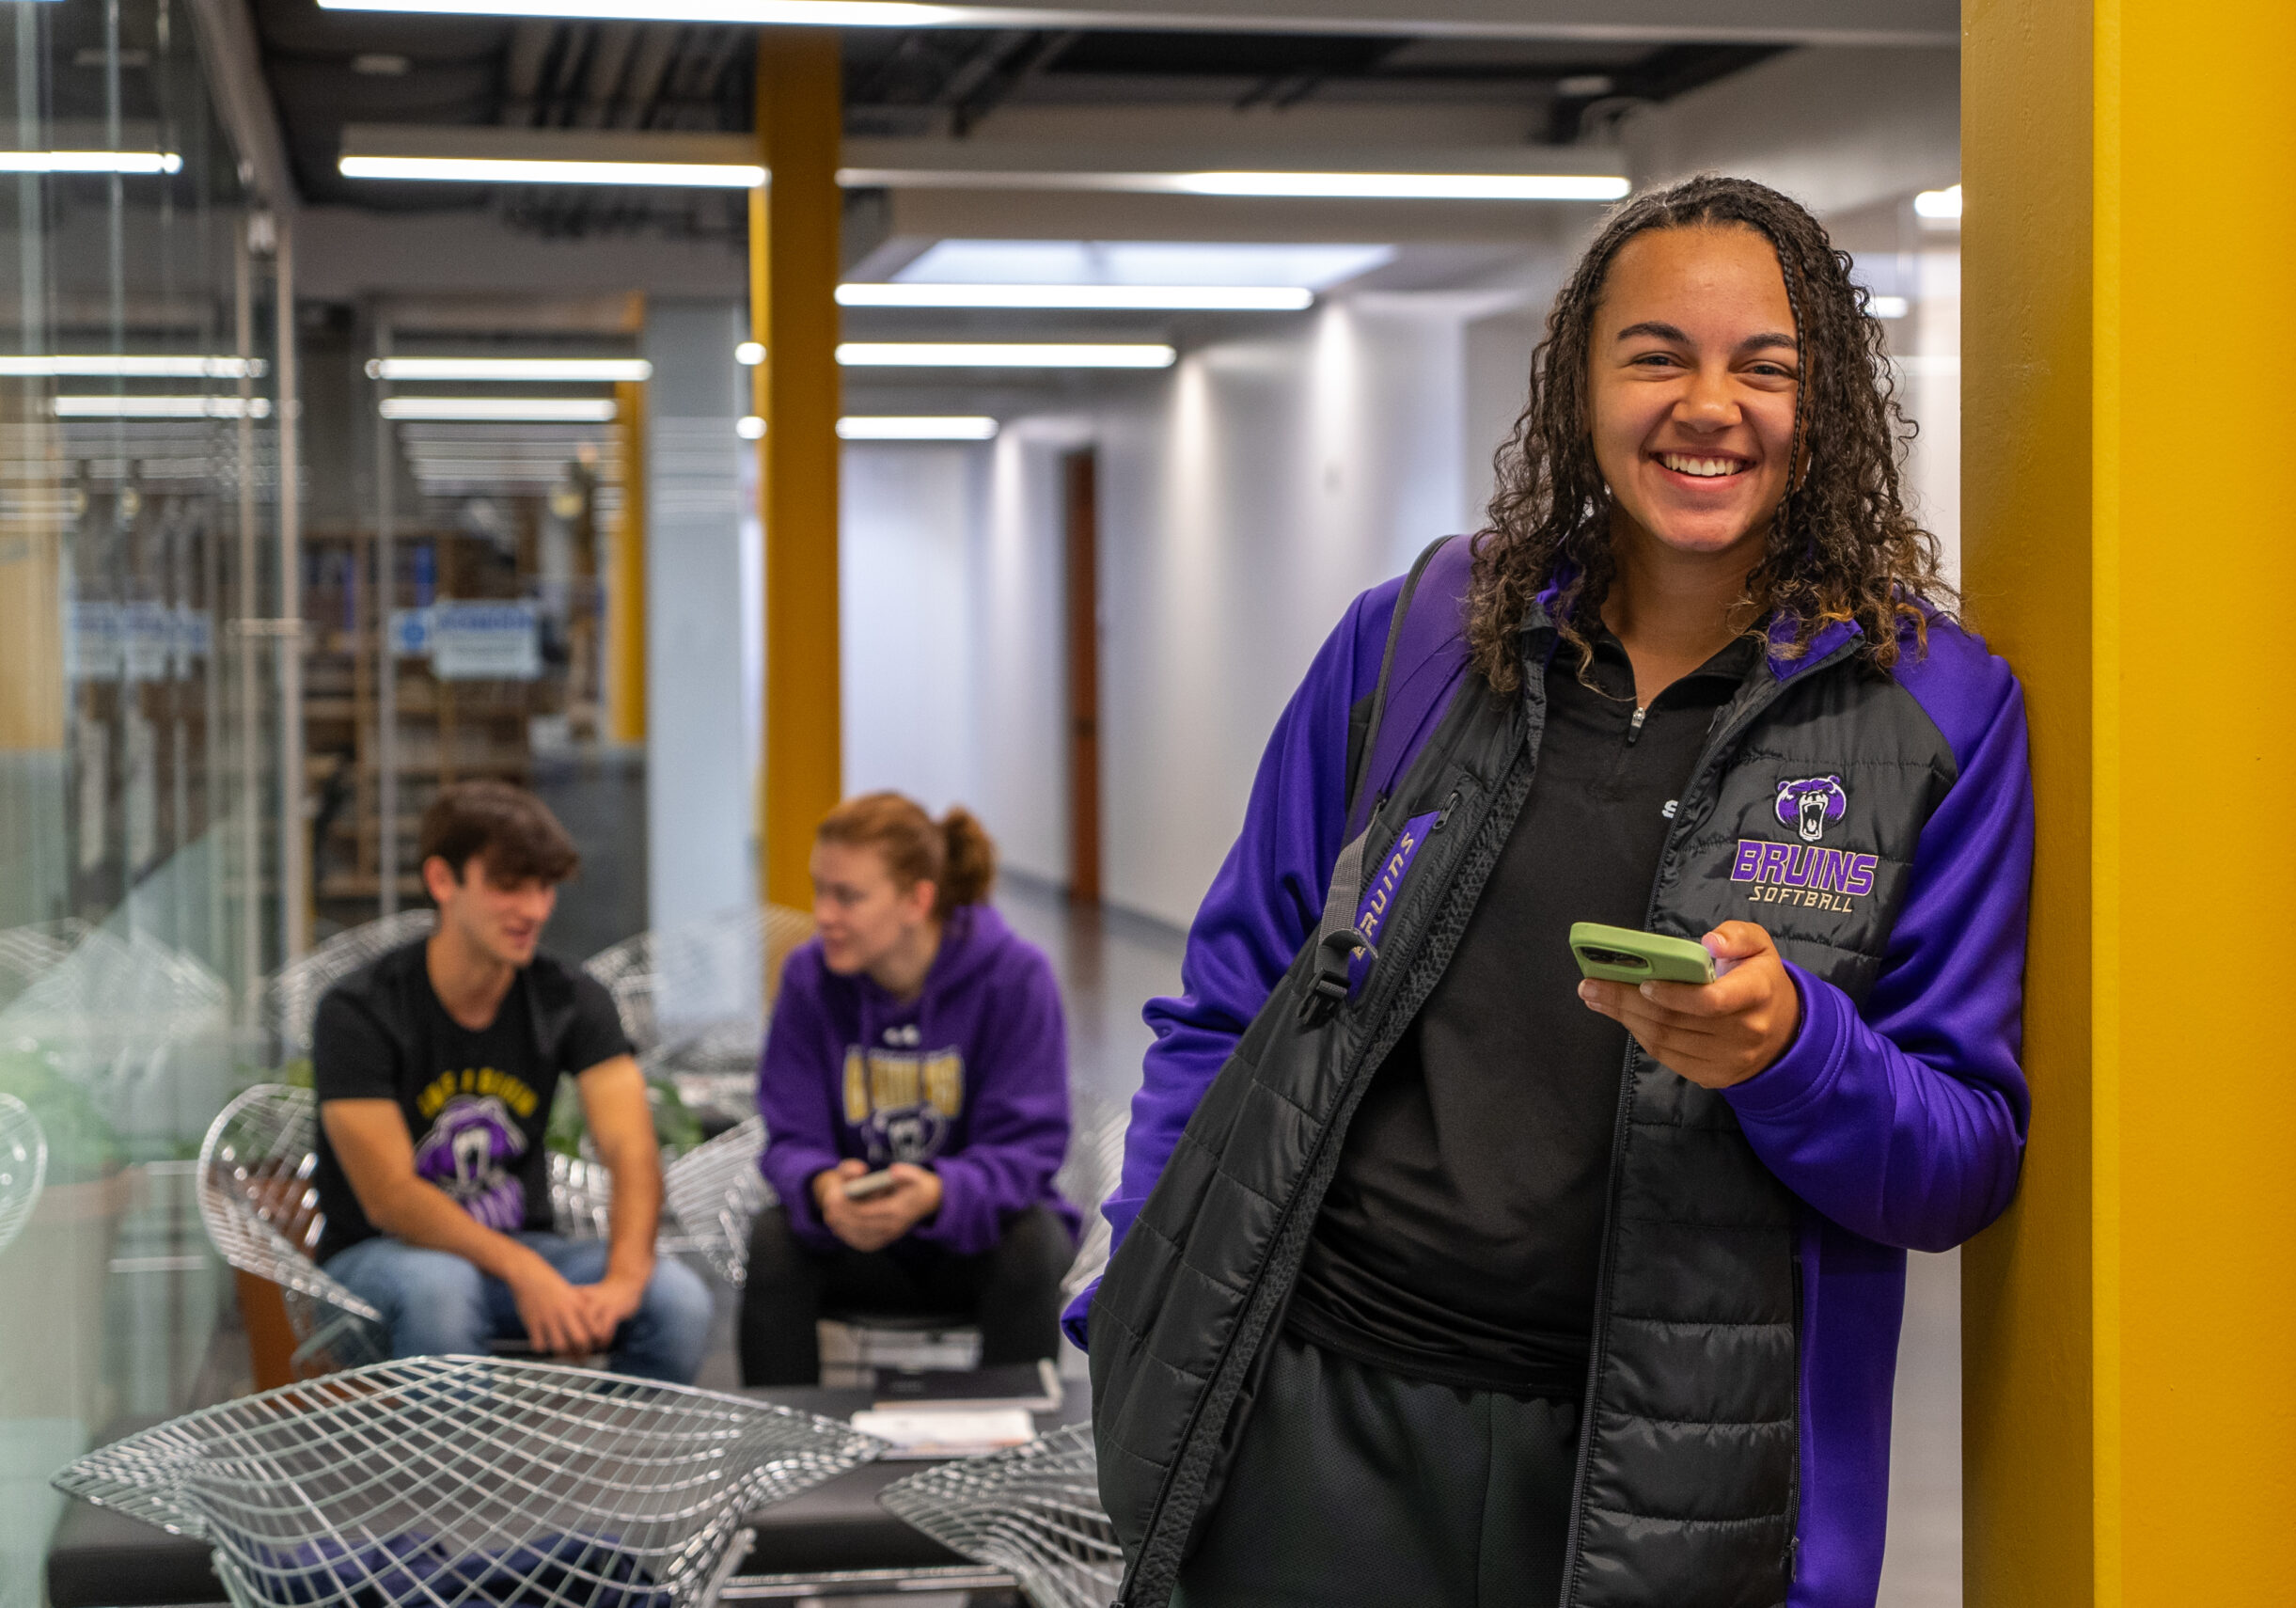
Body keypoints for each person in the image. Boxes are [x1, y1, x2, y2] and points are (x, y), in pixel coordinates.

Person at [1072, 175, 2035, 1608]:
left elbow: (1962, 1155)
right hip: (1317, 1421)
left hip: (1660, 1483)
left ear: (1824, 407)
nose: (1710, 403)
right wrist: (1143, 1283)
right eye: (1658, 354)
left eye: (1765, 366)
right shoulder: (1413, 644)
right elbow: (1232, 1003)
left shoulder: (1937, 709)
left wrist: (1791, 1055)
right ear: (1580, 380)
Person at [313, 780, 713, 1382]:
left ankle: (620, 1473)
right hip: (380, 1264)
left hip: (521, 1249)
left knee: (677, 1301)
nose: (533, 910)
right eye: (508, 886)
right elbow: (390, 1196)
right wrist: (525, 1272)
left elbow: (632, 1149)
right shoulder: (362, 1010)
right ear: (444, 881)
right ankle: (455, 1480)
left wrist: (625, 1282)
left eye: (544, 887)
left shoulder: (570, 1000)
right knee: (441, 1289)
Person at [741, 793, 1077, 1386]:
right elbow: (790, 1133)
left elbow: (1028, 1149)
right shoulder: (807, 979)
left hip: (968, 1237)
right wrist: (822, 1186)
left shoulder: (1016, 978)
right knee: (774, 1239)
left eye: (848, 896)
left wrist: (937, 1193)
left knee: (1033, 1241)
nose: (823, 915)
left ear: (917, 900)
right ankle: (783, 1449)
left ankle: (1009, 1454)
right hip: (852, 1236)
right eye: (820, 889)